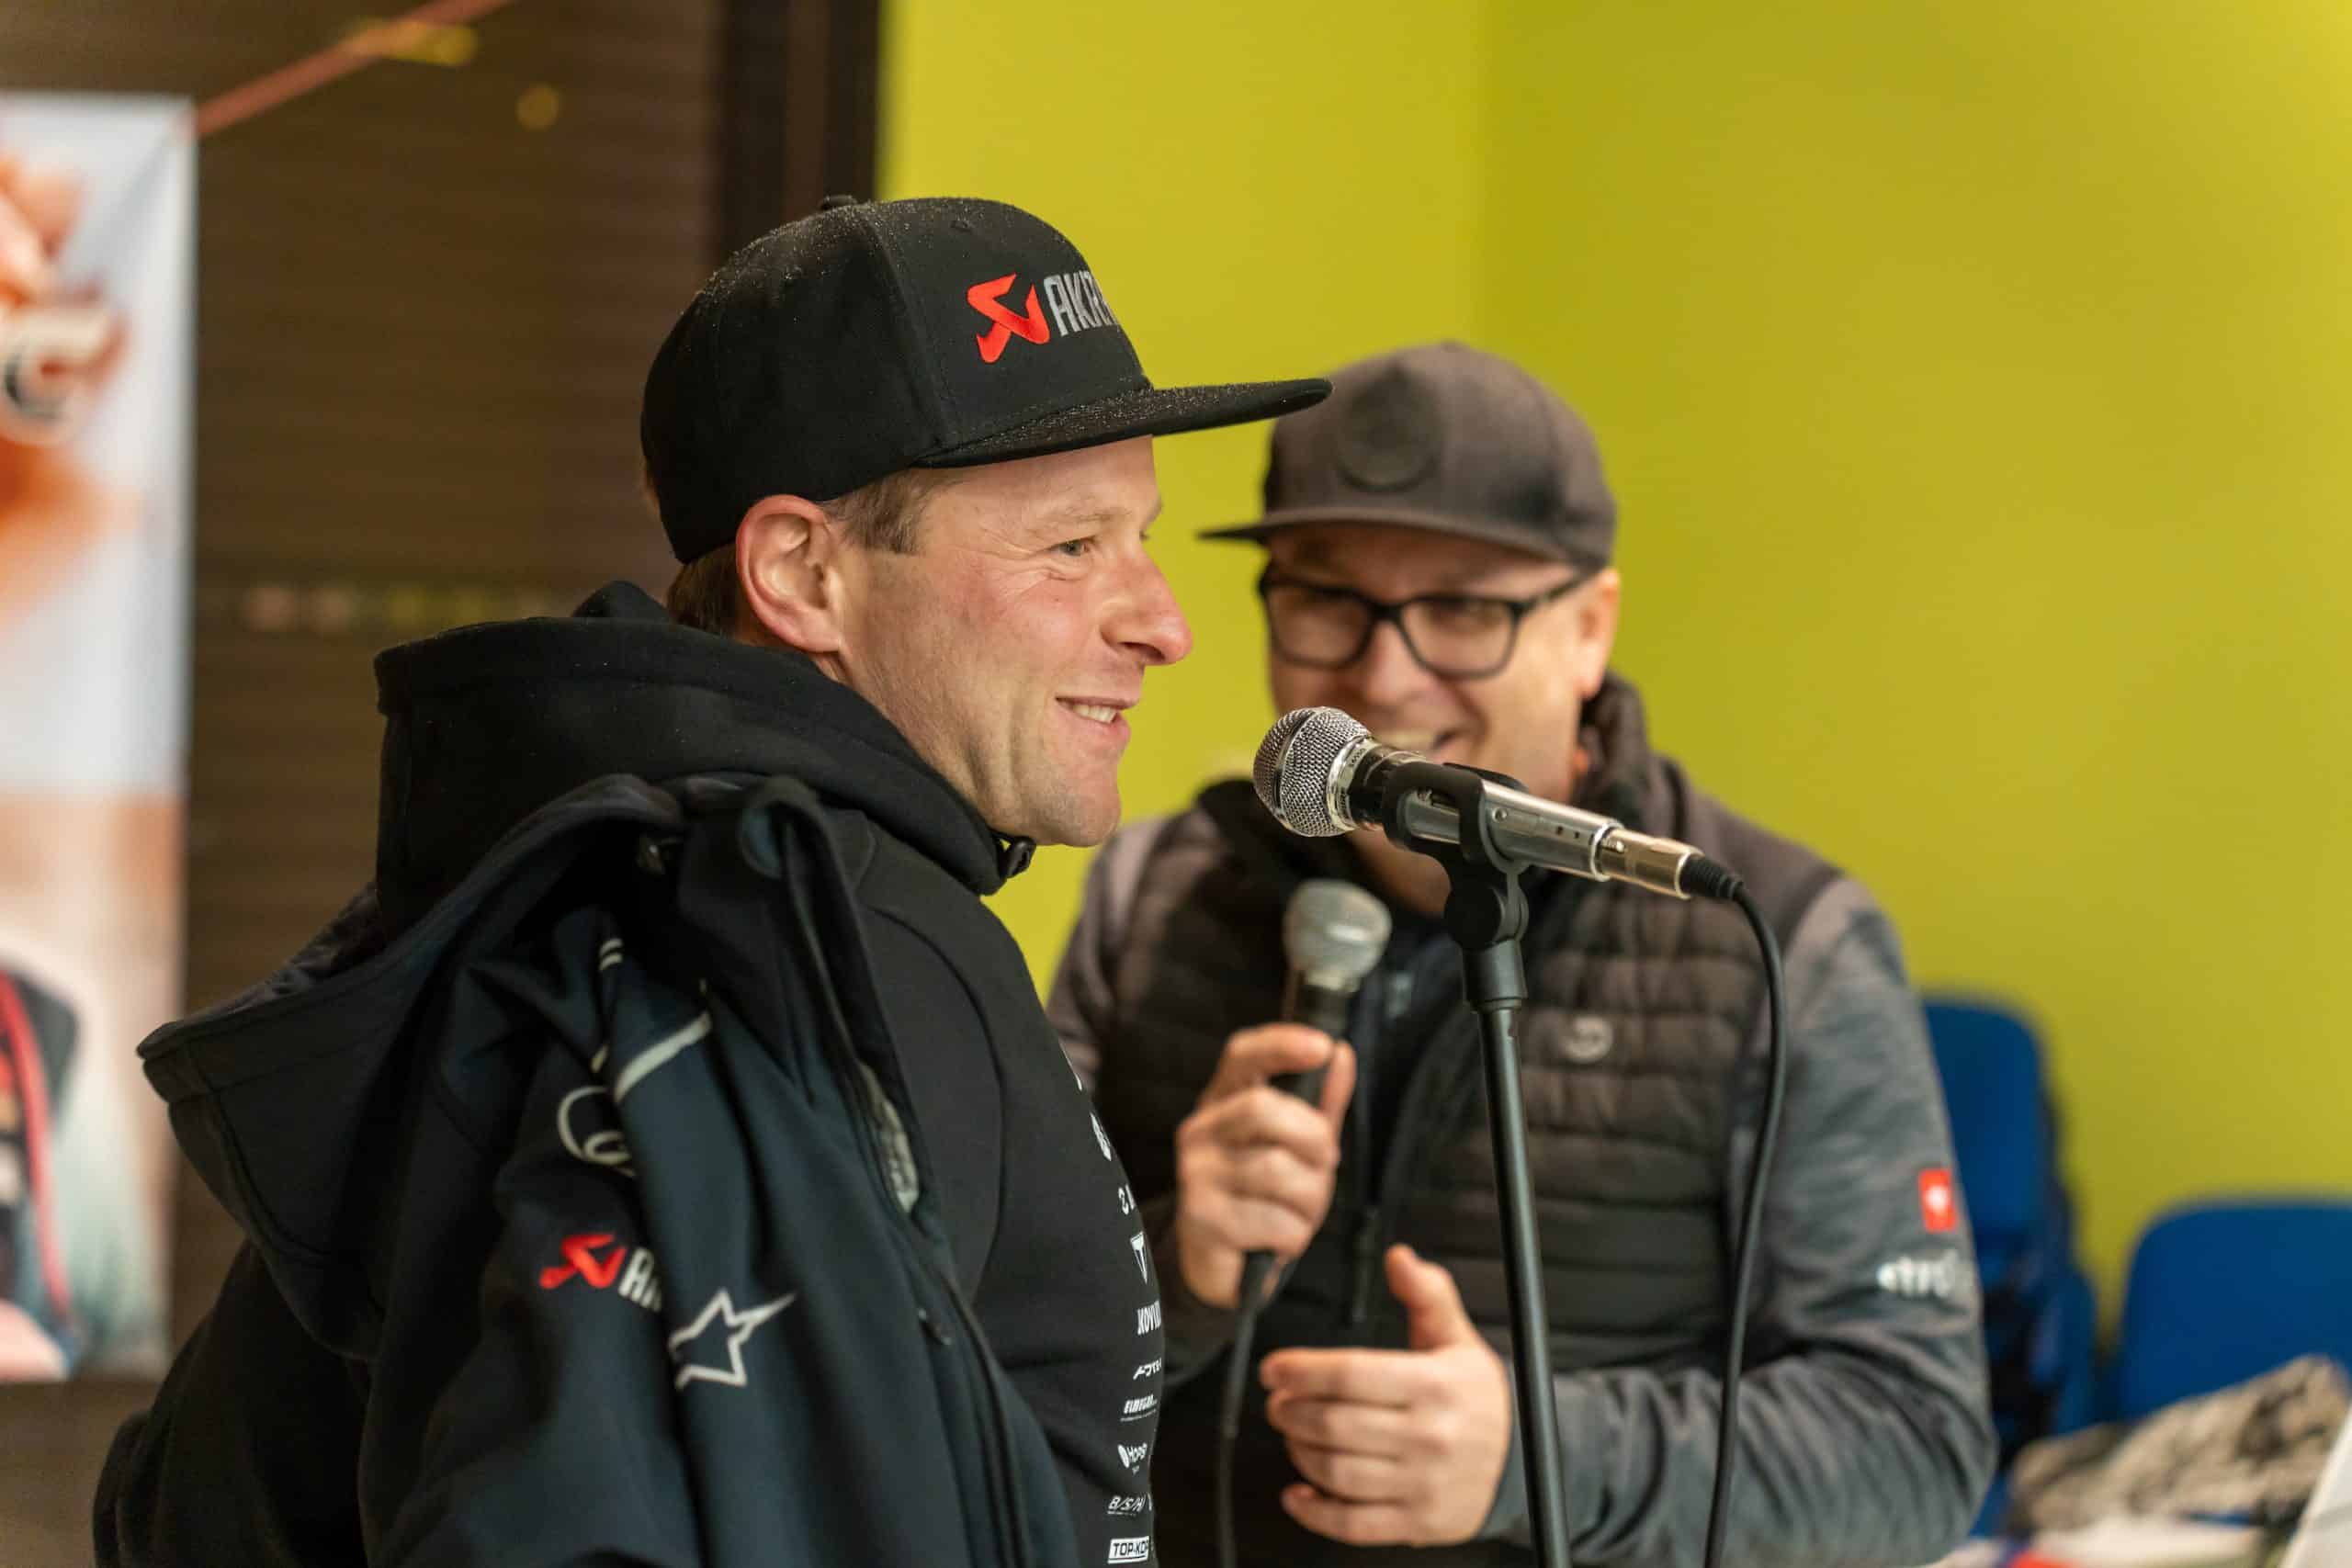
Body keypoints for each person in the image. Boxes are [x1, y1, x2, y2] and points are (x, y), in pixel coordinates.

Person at [93, 195, 1328, 1568]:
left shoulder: (542, 893)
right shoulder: (817, 939)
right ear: (802, 574)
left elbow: (191, 1499)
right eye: (1071, 546)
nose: (1162, 622)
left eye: (1142, 537)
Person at [1051, 342, 1997, 1566]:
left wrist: (1536, 1455)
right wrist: (1177, 1273)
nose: (1384, 679)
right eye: (1327, 599)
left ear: (1590, 628)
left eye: (1462, 610)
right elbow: (985, 1349)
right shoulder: (1150, 891)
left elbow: (1916, 1449)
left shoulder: (1782, 940)